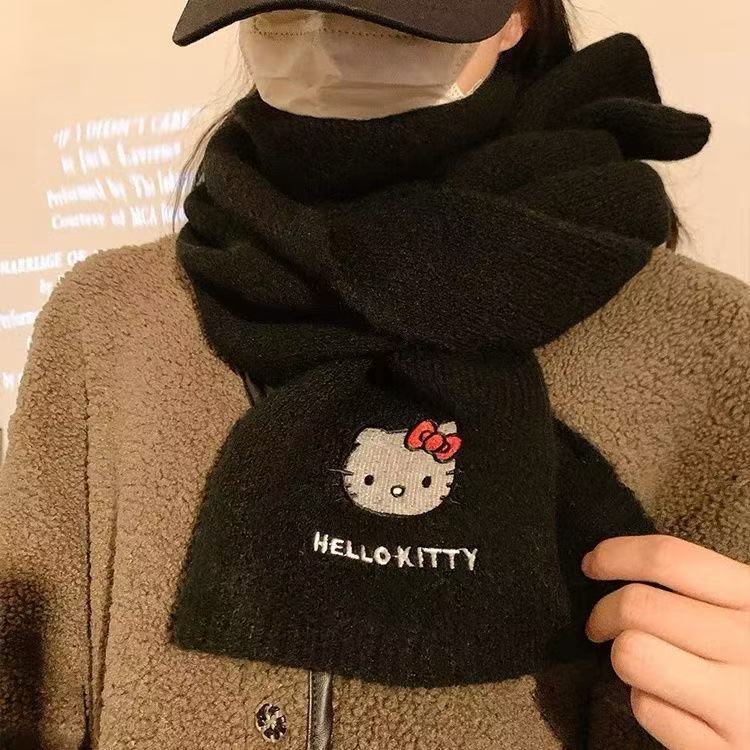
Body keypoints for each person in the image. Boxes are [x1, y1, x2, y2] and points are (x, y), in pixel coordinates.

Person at [0, 1, 748, 749]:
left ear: (518, 16)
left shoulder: (710, 348)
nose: (328, 40)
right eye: (285, 7)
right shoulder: (110, 319)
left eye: (395, 12)